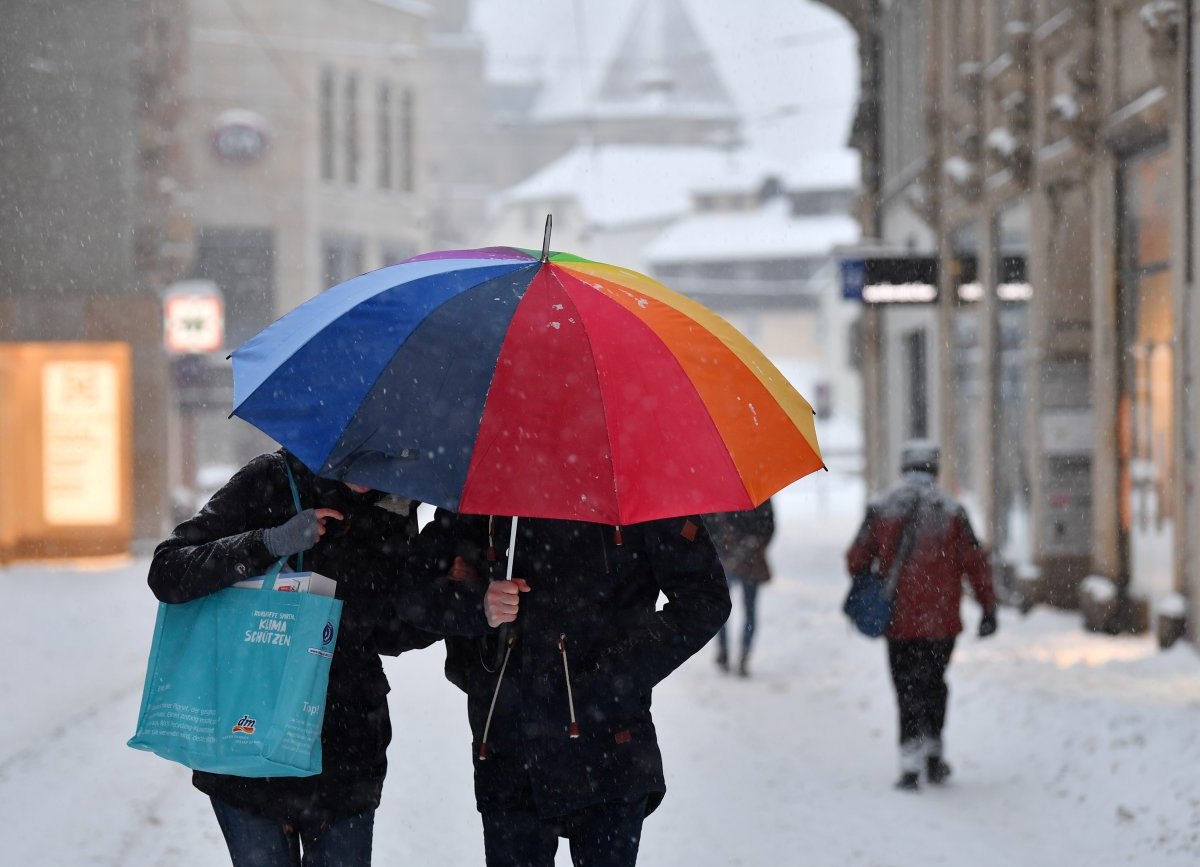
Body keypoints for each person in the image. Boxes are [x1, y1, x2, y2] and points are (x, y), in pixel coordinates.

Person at [147, 448, 490, 866]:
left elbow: (386, 630)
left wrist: (451, 598)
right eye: (359, 455)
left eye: (382, 459)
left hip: (345, 751)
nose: (368, 477)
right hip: (250, 746)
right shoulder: (273, 479)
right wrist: (271, 542)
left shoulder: (392, 508)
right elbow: (168, 571)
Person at [412, 511, 731, 867]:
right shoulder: (490, 478)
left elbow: (706, 599)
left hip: (607, 745)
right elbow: (410, 594)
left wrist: (613, 677)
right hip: (508, 750)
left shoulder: (633, 479)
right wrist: (477, 605)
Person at [845, 440, 998, 791]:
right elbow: (976, 563)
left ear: (903, 467)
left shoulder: (881, 508)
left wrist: (878, 574)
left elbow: (855, 560)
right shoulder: (953, 511)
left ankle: (910, 760)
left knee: (905, 686)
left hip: (898, 620)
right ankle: (934, 750)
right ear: (934, 468)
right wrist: (988, 607)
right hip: (942, 621)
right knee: (934, 682)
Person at [705, 498, 775, 677]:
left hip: (733, 560)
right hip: (739, 560)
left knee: (728, 608)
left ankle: (733, 653)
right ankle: (736, 652)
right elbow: (769, 528)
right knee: (744, 610)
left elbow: (708, 527)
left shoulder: (720, 493)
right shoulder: (758, 494)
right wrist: (752, 543)